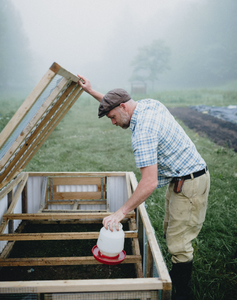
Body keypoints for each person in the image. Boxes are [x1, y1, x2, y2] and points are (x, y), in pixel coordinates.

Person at [78, 75, 210, 300]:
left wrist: (121, 212)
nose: (113, 122)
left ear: (122, 107)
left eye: (112, 117)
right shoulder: (147, 104)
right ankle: (178, 275)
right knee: (171, 230)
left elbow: (149, 182)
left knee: (178, 243)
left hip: (190, 184)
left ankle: (182, 293)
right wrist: (92, 92)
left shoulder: (142, 133)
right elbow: (116, 104)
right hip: (182, 179)